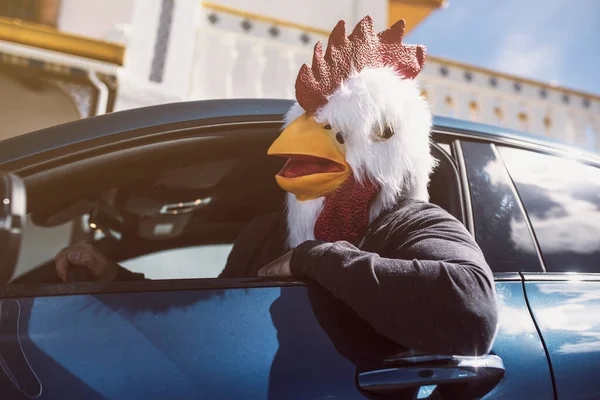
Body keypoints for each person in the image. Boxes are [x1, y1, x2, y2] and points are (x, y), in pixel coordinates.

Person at [54, 16, 498, 357]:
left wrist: (312, 258)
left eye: (339, 137)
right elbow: (208, 320)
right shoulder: (263, 235)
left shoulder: (414, 225)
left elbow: (472, 310)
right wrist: (113, 278)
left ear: (381, 146)